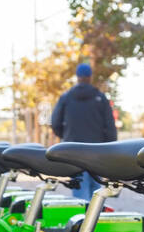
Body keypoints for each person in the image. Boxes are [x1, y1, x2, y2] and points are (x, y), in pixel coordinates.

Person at [50, 62, 117, 201]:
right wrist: (109, 148)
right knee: (97, 190)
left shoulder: (66, 98)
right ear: (90, 77)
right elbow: (110, 127)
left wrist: (66, 136)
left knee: (79, 191)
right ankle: (95, 218)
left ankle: (82, 219)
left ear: (77, 77)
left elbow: (55, 123)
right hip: (97, 152)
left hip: (73, 152)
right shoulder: (101, 98)